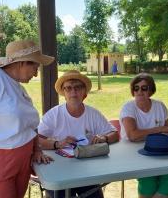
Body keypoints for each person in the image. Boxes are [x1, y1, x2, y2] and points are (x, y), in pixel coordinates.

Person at [0, 40, 54, 198]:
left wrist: (36, 149)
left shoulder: (17, 87)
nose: (36, 73)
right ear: (22, 63)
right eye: (35, 67)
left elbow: (30, 124)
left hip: (21, 163)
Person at [38, 70, 119, 198]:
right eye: (68, 88)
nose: (73, 92)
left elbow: (115, 134)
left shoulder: (93, 114)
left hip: (87, 170)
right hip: (59, 170)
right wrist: (58, 144)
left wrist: (104, 137)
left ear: (84, 93)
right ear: (64, 94)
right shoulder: (54, 114)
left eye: (77, 87)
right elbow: (36, 140)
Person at [120, 73, 168, 198]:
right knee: (149, 181)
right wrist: (159, 129)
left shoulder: (159, 106)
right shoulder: (128, 107)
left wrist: (157, 131)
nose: (139, 92)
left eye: (144, 88)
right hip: (132, 153)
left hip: (158, 151)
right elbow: (132, 136)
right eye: (136, 88)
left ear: (151, 90)